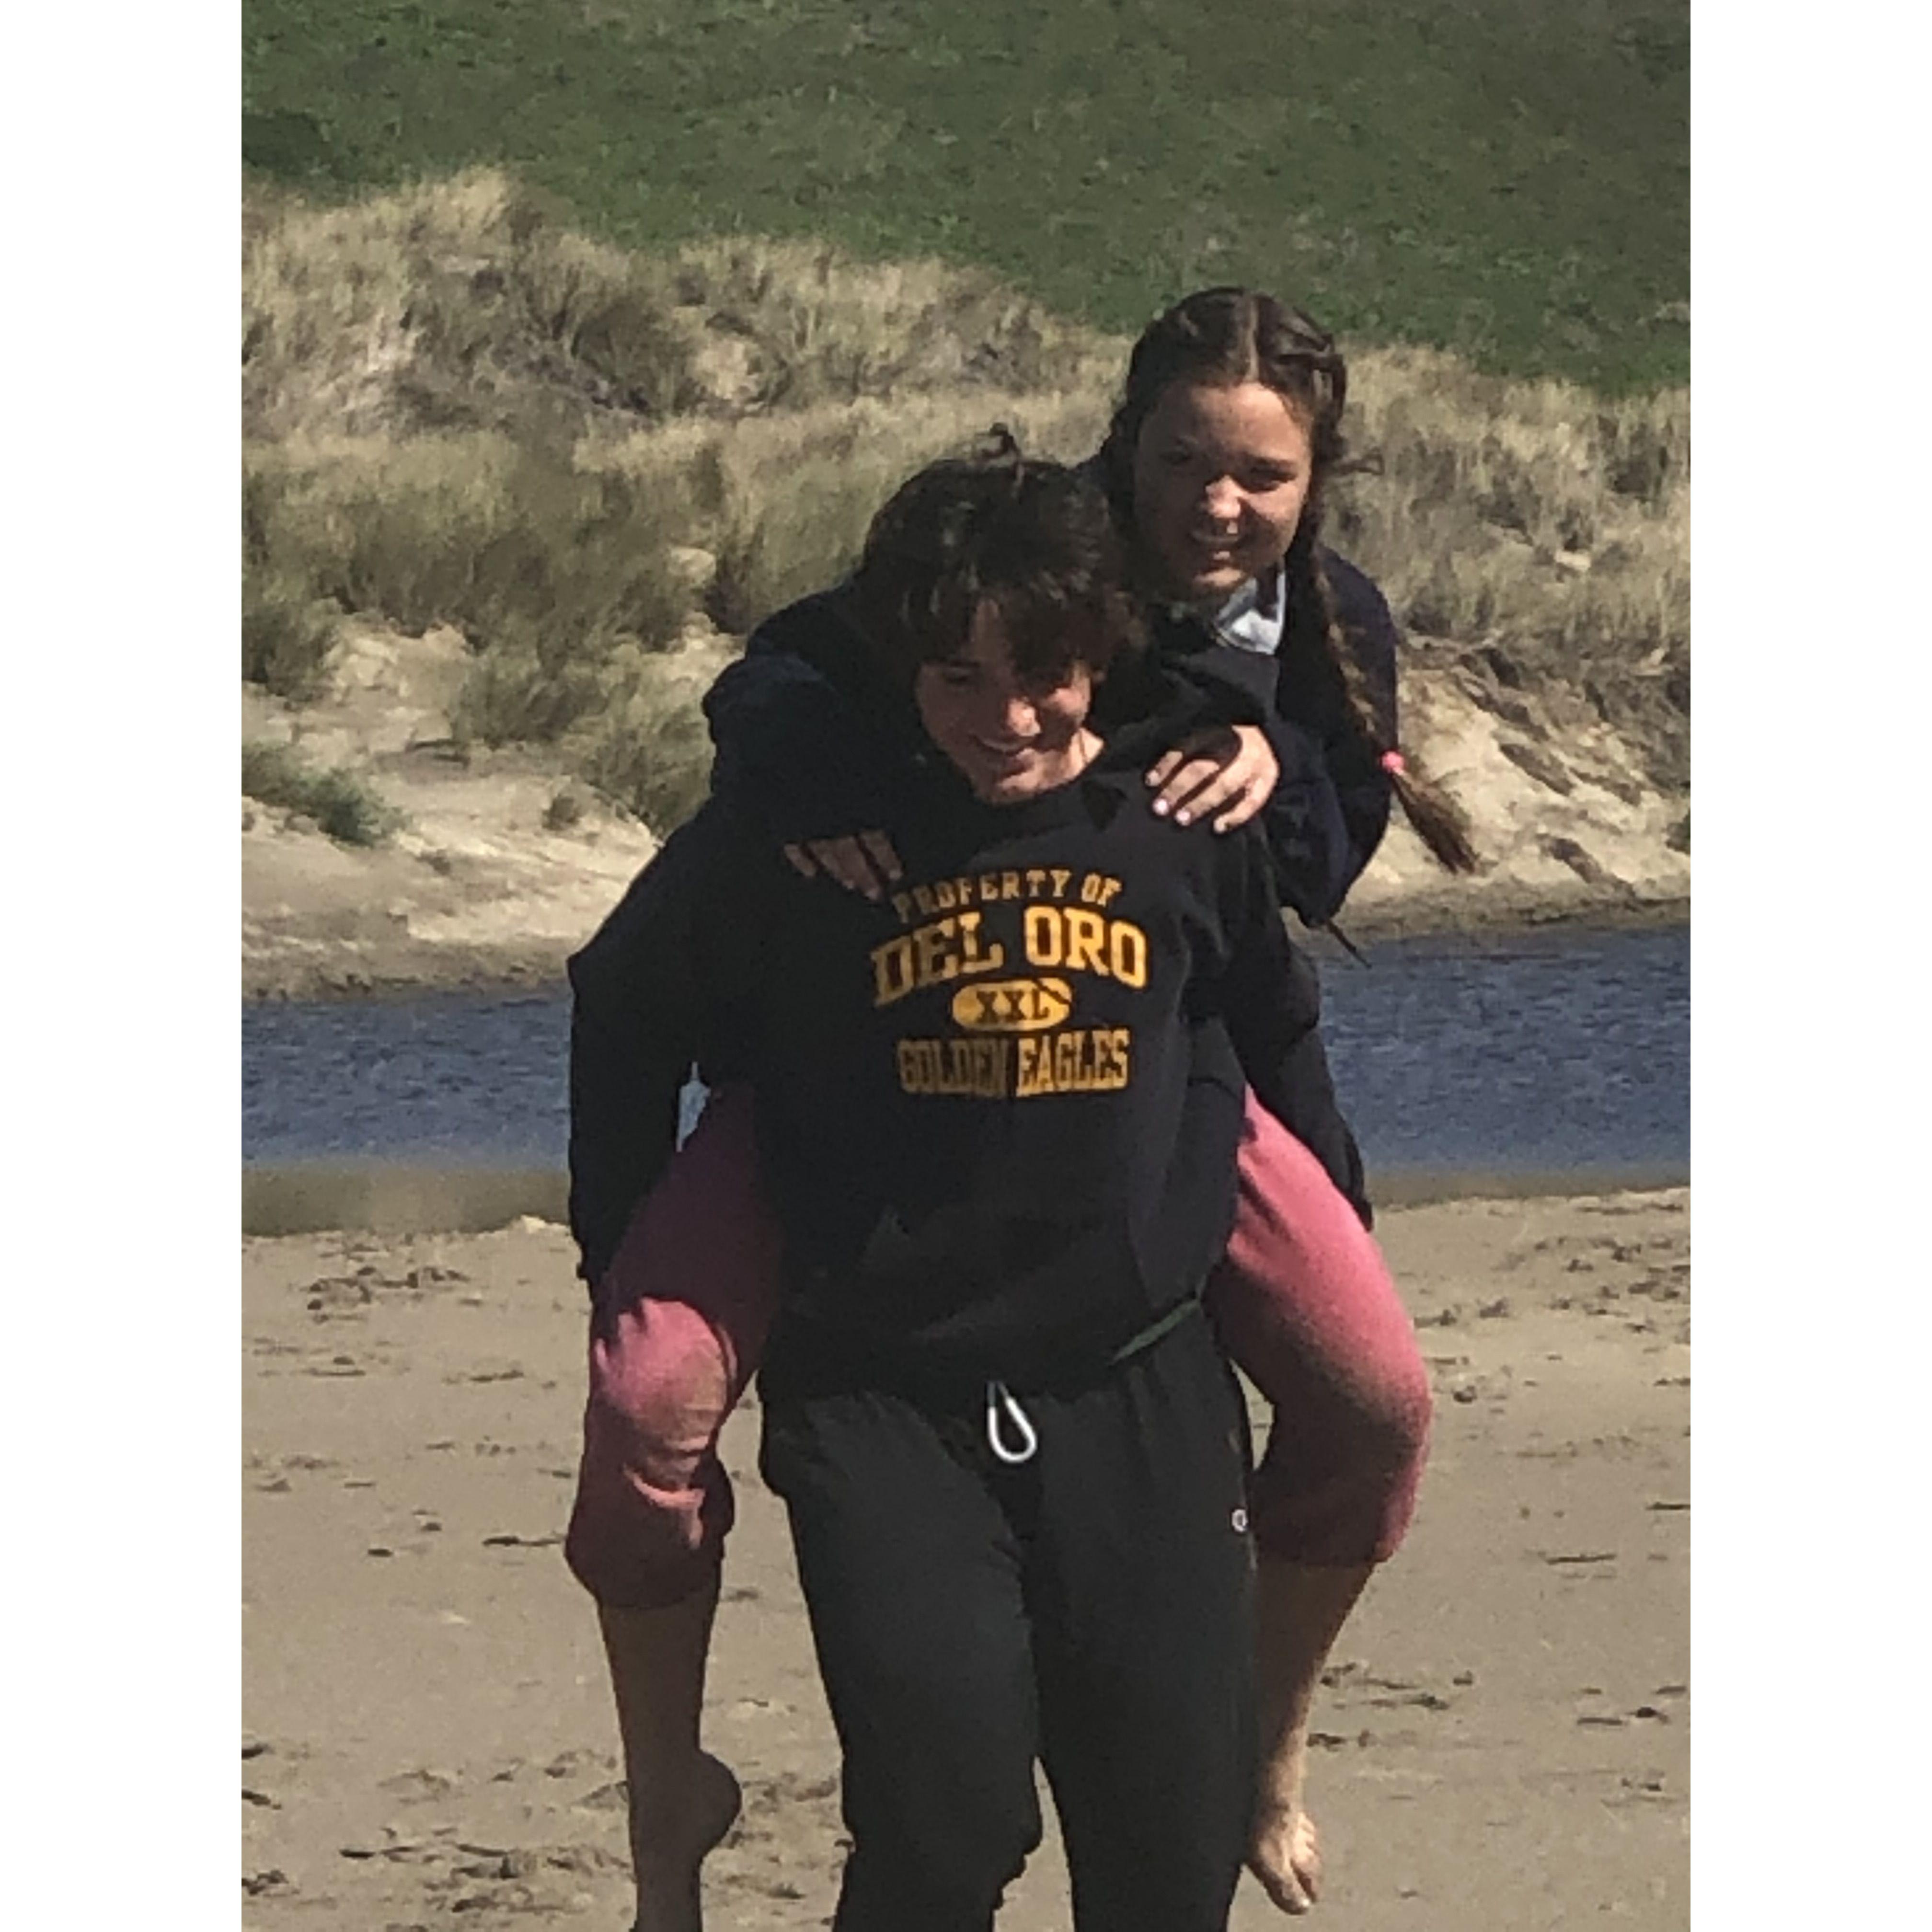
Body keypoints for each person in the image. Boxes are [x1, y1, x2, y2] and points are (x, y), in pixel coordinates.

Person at [564, 290, 1471, 1927]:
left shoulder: (1319, 627)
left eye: (1260, 474)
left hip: (1164, 1055)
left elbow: (1307, 900)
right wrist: (811, 782)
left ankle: (1268, 1754)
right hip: (841, 1106)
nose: (1216, 501)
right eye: (1182, 460)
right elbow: (772, 681)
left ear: (1316, 480)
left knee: (1377, 1396)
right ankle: (663, 1792)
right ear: (1126, 448)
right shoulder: (999, 564)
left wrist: (1259, 763)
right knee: (647, 1401)